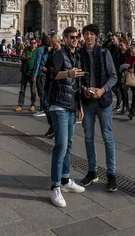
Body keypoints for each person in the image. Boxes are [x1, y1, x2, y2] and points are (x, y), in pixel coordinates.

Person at [49, 26, 85, 208]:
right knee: (61, 145)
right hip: (59, 105)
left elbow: (76, 83)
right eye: (72, 37)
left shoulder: (75, 55)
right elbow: (52, 74)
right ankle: (55, 186)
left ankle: (65, 180)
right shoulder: (59, 54)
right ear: (64, 38)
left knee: (69, 144)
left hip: (71, 105)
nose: (75, 40)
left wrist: (79, 105)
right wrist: (68, 73)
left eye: (77, 37)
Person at [79, 24, 118, 192]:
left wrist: (102, 90)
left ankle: (111, 174)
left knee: (107, 137)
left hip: (104, 101)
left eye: (91, 34)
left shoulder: (104, 53)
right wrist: (82, 89)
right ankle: (92, 171)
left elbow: (114, 75)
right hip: (87, 102)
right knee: (88, 138)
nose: (89, 37)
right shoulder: (79, 55)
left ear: (96, 36)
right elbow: (77, 76)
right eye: (86, 34)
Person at [43, 34, 62, 138]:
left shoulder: (62, 54)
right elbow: (48, 64)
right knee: (45, 104)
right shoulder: (51, 52)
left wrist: (48, 70)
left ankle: (55, 127)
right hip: (49, 82)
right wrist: (45, 69)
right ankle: (53, 126)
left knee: (49, 105)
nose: (52, 45)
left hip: (56, 84)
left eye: (53, 43)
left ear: (58, 42)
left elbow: (58, 70)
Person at [15, 38, 38, 112]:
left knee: (33, 90)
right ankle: (20, 105)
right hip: (25, 72)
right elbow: (22, 57)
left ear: (36, 43)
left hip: (33, 72)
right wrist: (26, 58)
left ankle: (32, 105)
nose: (33, 44)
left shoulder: (37, 51)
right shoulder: (26, 49)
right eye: (31, 43)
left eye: (34, 43)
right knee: (22, 89)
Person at [33, 34, 50, 115]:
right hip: (48, 73)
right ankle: (45, 107)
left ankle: (43, 108)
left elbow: (37, 63)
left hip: (41, 73)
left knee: (41, 92)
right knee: (46, 91)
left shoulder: (40, 50)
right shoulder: (50, 49)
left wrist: (34, 75)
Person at [108, 34, 122, 112]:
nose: (112, 41)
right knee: (113, 87)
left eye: (113, 39)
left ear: (118, 39)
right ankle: (120, 102)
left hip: (117, 70)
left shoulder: (120, 48)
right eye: (111, 39)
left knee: (116, 87)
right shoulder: (111, 48)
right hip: (111, 70)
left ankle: (119, 103)